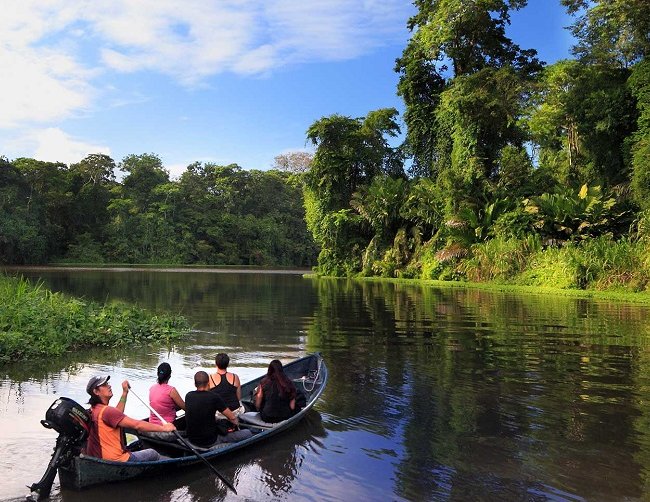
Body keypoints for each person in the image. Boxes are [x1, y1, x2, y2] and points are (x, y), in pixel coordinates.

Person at [85, 375, 175, 462]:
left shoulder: (94, 409)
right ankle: (176, 465)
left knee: (136, 445)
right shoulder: (107, 411)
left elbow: (117, 415)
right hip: (117, 460)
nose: (109, 386)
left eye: (107, 383)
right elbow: (137, 425)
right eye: (104, 385)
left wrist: (125, 393)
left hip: (100, 457)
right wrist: (164, 428)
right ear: (96, 392)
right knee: (152, 453)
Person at [185, 371, 252, 448]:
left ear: (195, 384)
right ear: (208, 383)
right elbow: (232, 417)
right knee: (247, 433)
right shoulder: (214, 397)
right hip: (211, 441)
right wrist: (237, 424)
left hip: (192, 440)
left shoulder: (188, 396)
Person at [208, 353, 245, 418]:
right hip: (235, 412)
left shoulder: (210, 378)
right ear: (227, 364)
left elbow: (208, 398)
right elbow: (238, 397)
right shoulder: (235, 377)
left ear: (216, 364)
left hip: (219, 413)